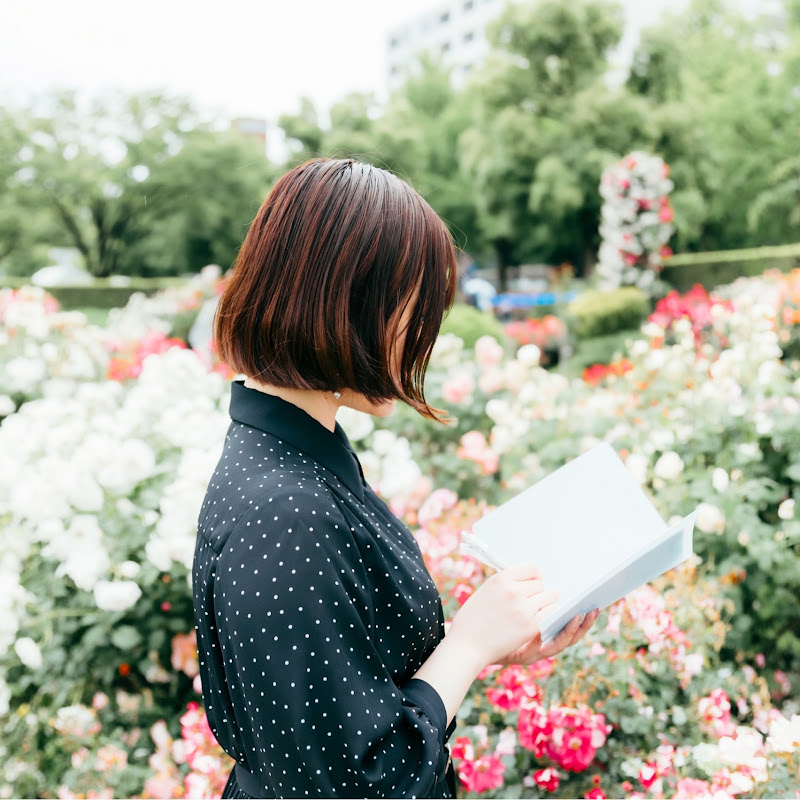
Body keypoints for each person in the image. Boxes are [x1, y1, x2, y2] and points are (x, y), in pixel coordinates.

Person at [191, 158, 598, 800]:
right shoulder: (285, 512)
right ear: (343, 303)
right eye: (415, 309)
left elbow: (350, 692)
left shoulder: (295, 456)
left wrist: (487, 642)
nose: (423, 338)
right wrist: (468, 645)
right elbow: (363, 781)